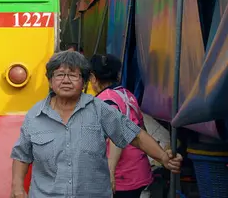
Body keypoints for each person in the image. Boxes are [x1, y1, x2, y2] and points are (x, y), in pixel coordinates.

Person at [10, 51, 182, 198]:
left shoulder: (100, 109)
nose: (66, 80)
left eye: (73, 75)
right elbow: (22, 154)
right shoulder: (35, 115)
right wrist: (17, 187)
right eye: (60, 74)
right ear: (50, 81)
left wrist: (163, 157)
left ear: (84, 82)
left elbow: (135, 135)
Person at [90, 54, 153, 198]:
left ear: (93, 78)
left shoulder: (105, 100)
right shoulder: (127, 94)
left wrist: (110, 173)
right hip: (139, 169)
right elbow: (141, 130)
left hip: (122, 176)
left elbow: (116, 135)